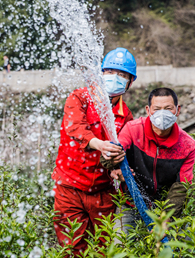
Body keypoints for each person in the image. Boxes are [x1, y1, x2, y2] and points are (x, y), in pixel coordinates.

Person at [52, 47, 137, 254]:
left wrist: (118, 169)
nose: (114, 77)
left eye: (121, 75)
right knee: (72, 248)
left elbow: (124, 154)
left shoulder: (126, 117)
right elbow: (75, 128)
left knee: (103, 249)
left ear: (130, 82)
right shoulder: (80, 97)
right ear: (100, 73)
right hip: (69, 188)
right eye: (109, 72)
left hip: (103, 192)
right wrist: (99, 144)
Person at [104, 87, 195, 234]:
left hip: (164, 206)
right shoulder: (133, 130)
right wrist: (115, 167)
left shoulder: (187, 145)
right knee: (121, 246)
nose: (162, 113)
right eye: (157, 109)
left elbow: (181, 186)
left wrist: (166, 219)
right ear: (148, 110)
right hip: (131, 203)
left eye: (168, 108)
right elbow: (113, 152)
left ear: (177, 110)